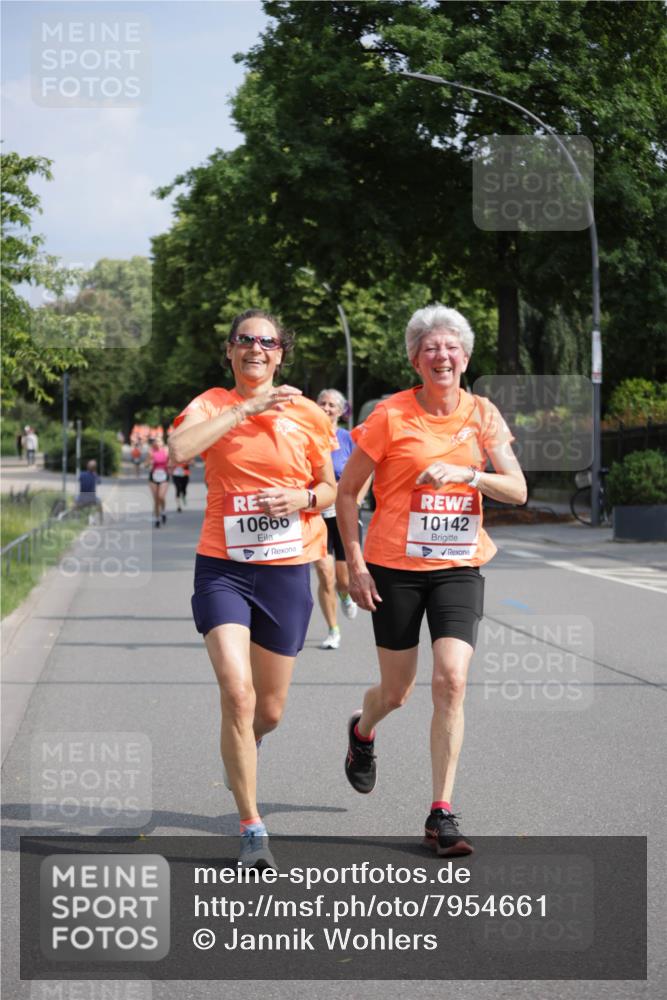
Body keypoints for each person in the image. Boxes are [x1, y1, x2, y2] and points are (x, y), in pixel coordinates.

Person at [336, 304, 526, 857]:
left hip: (458, 566)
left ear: (465, 358)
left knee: (451, 681)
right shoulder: (390, 416)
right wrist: (355, 563)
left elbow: (517, 489)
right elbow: (347, 494)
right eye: (430, 349)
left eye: (451, 348)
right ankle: (363, 730)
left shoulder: (482, 414)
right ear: (415, 361)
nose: (442, 356)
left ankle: (440, 812)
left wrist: (469, 474)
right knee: (397, 692)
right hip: (394, 567)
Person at [168, 308, 336, 869]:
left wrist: (302, 499)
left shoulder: (308, 414)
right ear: (230, 350)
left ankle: (246, 743)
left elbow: (330, 488)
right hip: (223, 566)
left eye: (267, 341)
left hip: (286, 568)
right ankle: (251, 827)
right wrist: (245, 408)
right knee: (237, 695)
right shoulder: (212, 403)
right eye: (245, 339)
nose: (255, 348)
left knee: (269, 710)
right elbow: (180, 450)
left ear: (280, 353)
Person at [313, 389, 366, 650]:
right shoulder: (307, 436)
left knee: (343, 579)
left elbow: (366, 472)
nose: (326, 407)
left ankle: (345, 595)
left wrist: (357, 501)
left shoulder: (349, 438)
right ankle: (333, 629)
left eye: (331, 404)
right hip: (316, 515)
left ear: (341, 410)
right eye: (322, 403)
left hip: (343, 514)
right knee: (325, 574)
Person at [147, 438, 170, 528]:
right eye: (156, 441)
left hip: (164, 475)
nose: (157, 443)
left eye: (159, 441)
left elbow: (171, 462)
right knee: (156, 499)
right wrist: (149, 463)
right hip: (153, 476)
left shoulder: (166, 451)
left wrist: (170, 465)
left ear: (162, 443)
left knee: (161, 496)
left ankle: (163, 511)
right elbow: (146, 464)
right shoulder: (151, 452)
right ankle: (157, 519)